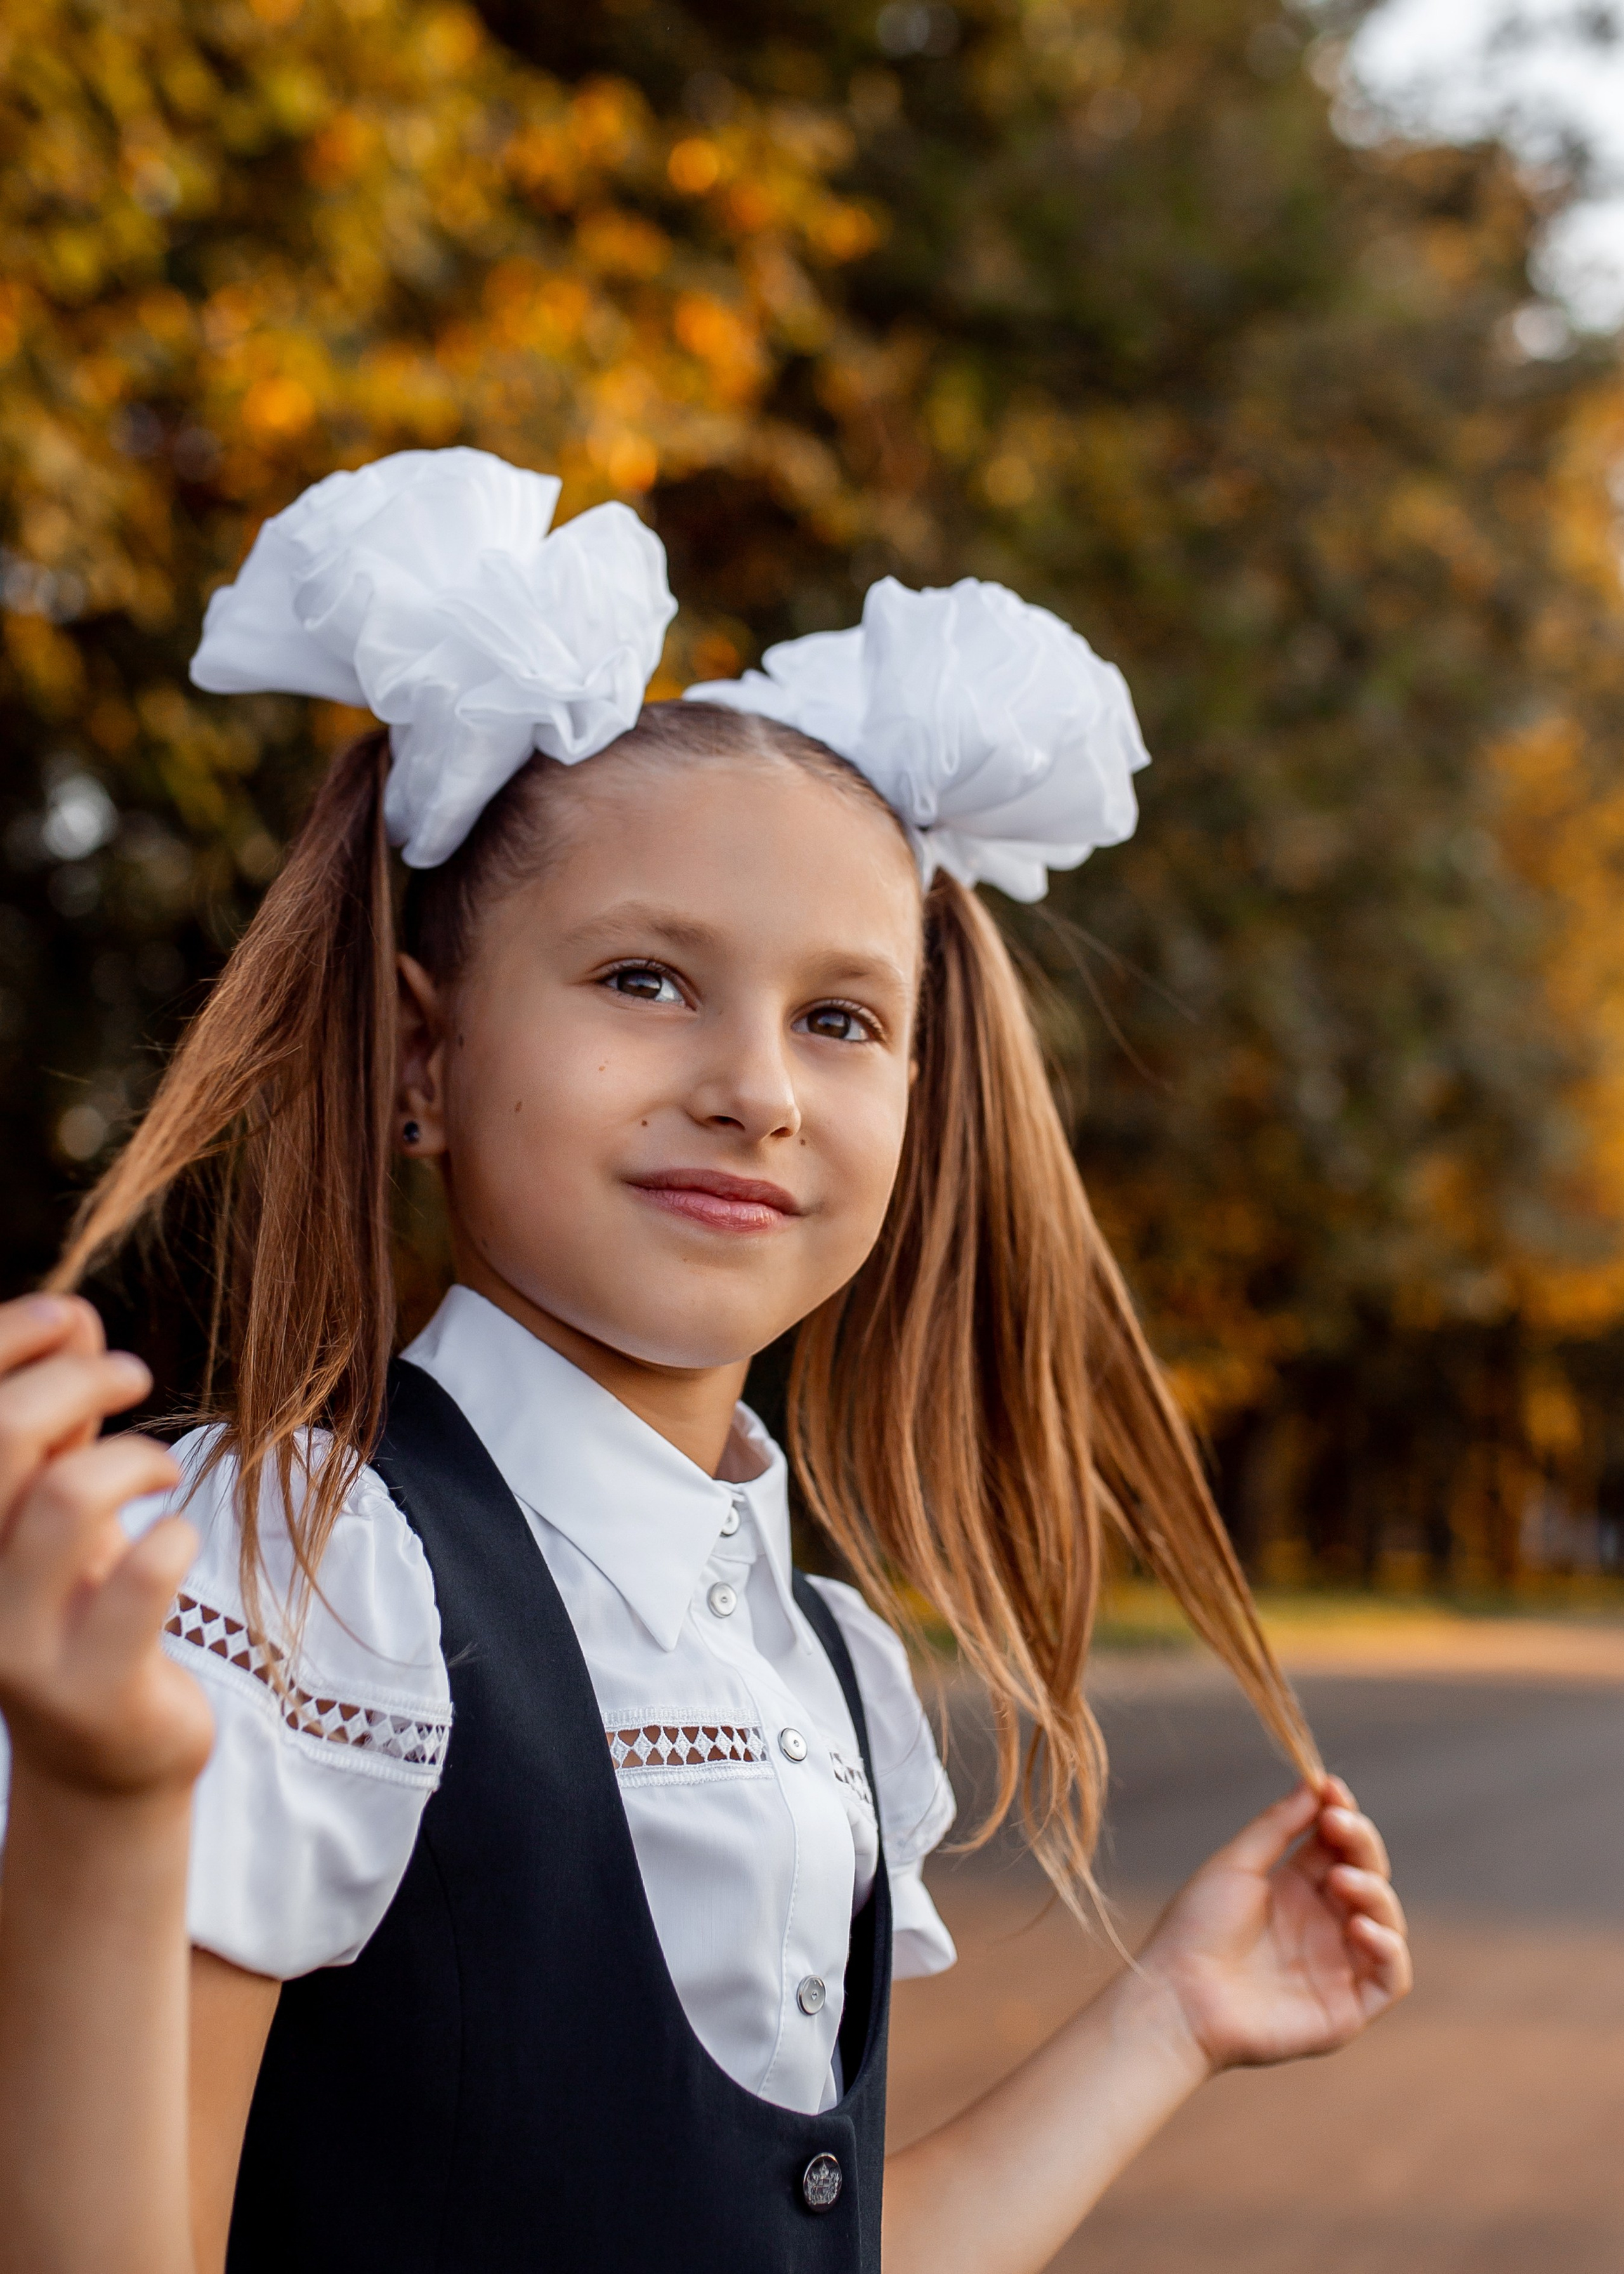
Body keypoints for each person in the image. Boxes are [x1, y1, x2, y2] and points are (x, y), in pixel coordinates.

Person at [0, 449, 1410, 2274]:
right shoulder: (305, 1576)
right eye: (645, 981)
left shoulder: (823, 1661)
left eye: (839, 1018)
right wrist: (105, 1809)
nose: (756, 1089)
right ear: (422, 1059)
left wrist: (1173, 2017)